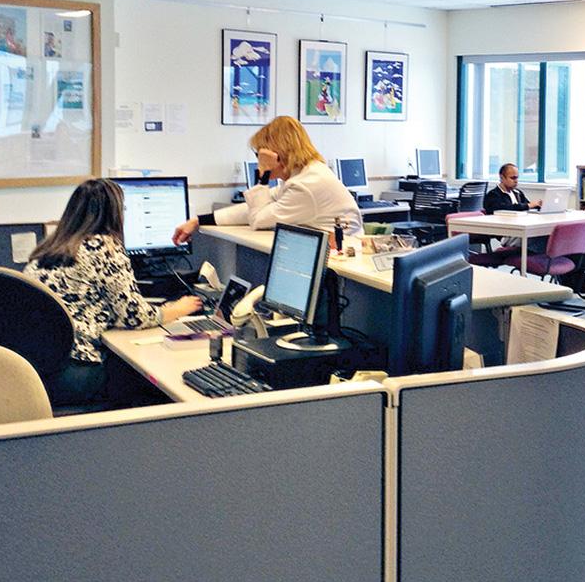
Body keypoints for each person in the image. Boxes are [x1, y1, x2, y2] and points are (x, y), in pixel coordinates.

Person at [26, 179, 203, 408]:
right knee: (157, 380)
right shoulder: (104, 247)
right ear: (115, 213)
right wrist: (179, 308)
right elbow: (135, 316)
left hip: (37, 369)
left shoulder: (48, 248)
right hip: (76, 372)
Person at [172, 116, 362, 244]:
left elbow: (259, 219)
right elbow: (254, 208)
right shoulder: (302, 176)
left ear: (277, 153)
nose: (258, 160)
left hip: (345, 264)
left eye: (260, 154)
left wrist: (263, 174)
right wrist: (199, 221)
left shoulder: (306, 185)